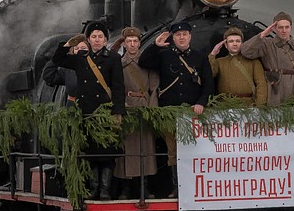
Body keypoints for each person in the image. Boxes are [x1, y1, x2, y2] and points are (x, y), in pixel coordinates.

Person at [47, 21, 125, 199]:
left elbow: (118, 87)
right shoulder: (81, 59)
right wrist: (67, 45)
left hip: (105, 113)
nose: (97, 40)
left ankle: (105, 190)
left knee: (107, 154)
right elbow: (58, 59)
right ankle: (94, 188)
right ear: (89, 40)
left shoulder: (113, 59)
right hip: (87, 113)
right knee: (90, 155)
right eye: (93, 37)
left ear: (105, 40)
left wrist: (118, 112)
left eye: (100, 37)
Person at [138, 20, 214, 195]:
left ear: (190, 36)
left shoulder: (199, 57)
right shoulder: (164, 55)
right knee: (173, 151)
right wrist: (155, 46)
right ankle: (177, 187)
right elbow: (144, 62)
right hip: (170, 111)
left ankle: (195, 185)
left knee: (194, 149)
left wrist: (201, 102)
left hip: (192, 112)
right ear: (173, 37)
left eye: (184, 34)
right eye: (178, 35)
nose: (181, 38)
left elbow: (208, 84)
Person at [111, 27, 158, 200]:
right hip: (127, 107)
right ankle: (126, 188)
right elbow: (116, 87)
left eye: (135, 41)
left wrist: (151, 109)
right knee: (126, 151)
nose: (132, 44)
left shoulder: (147, 62)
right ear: (124, 43)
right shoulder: (119, 64)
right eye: (129, 41)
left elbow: (154, 86)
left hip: (144, 107)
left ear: (139, 43)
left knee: (146, 149)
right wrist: (121, 107)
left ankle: (144, 188)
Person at [239, 11, 294, 108]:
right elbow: (246, 51)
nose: (284, 30)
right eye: (280, 27)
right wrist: (262, 35)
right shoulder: (266, 44)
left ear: (291, 27)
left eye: (287, 27)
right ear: (274, 28)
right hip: (273, 91)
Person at [208, 26, 268, 105]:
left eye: (238, 41)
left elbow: (261, 84)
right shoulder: (219, 62)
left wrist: (260, 105)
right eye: (231, 41)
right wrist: (212, 54)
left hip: (248, 105)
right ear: (226, 45)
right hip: (225, 105)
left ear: (242, 43)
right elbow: (209, 75)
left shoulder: (254, 61)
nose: (235, 44)